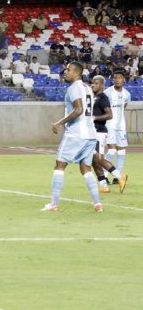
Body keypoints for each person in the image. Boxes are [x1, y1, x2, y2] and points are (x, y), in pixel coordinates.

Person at [41, 62, 103, 212]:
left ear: (76, 73)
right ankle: (98, 204)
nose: (65, 72)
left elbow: (79, 109)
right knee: (85, 168)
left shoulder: (73, 88)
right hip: (90, 134)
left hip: (76, 133)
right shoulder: (88, 88)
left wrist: (59, 123)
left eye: (68, 70)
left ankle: (54, 204)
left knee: (59, 166)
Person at [90, 75, 128, 193]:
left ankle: (119, 176)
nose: (93, 85)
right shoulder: (93, 96)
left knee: (99, 158)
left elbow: (109, 115)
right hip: (92, 131)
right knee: (93, 160)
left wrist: (94, 118)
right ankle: (103, 186)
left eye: (96, 83)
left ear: (102, 85)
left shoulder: (103, 98)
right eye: (92, 83)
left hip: (99, 132)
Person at [103, 70, 131, 179]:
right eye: (115, 78)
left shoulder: (127, 94)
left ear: (124, 80)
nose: (117, 80)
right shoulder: (107, 93)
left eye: (119, 78)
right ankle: (105, 176)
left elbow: (123, 107)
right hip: (110, 125)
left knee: (121, 150)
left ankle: (117, 177)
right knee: (111, 149)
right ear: (112, 80)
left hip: (121, 126)